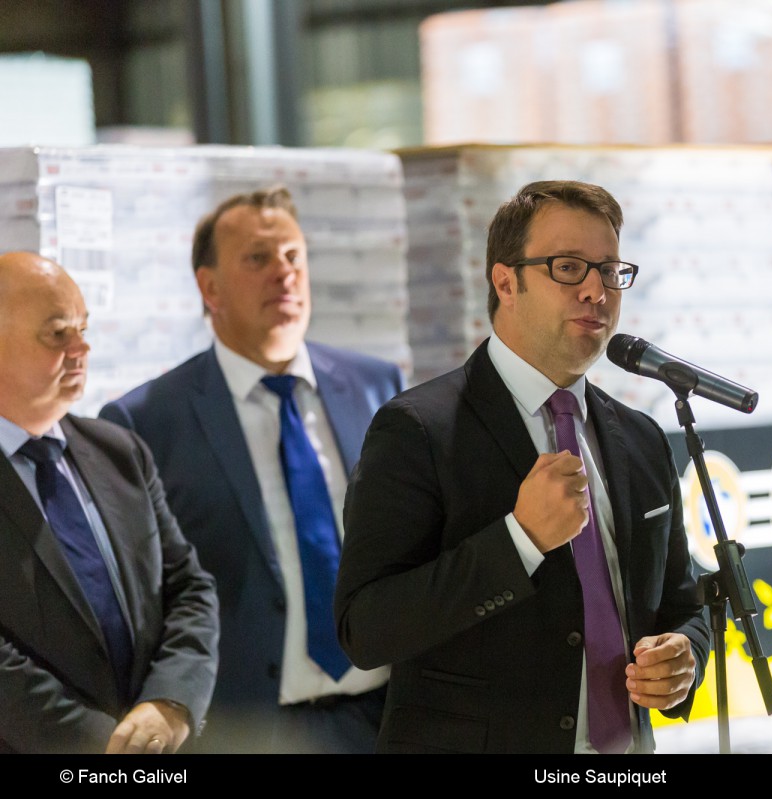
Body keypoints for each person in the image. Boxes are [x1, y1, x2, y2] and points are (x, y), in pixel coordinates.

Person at [335, 180, 710, 753]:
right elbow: (366, 628)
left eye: (610, 271)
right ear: (505, 282)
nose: (596, 291)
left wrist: (686, 656)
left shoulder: (641, 438)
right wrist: (520, 540)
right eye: (568, 268)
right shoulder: (417, 429)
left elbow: (684, 604)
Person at [100, 187, 404, 753]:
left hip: (387, 720)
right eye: (258, 259)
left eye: (293, 257)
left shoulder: (377, 387)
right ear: (209, 287)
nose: (284, 275)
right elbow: (146, 602)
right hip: (246, 731)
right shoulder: (144, 422)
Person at [0, 251, 218, 754]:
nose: (82, 347)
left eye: (84, 327)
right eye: (58, 333)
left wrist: (169, 704)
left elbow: (189, 588)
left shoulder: (117, 451)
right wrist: (106, 746)